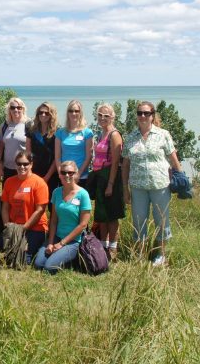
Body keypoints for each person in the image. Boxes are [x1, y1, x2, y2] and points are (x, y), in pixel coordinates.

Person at [122, 101, 183, 267]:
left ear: (152, 115)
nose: (143, 116)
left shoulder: (163, 135)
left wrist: (182, 181)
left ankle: (161, 255)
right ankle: (140, 254)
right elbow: (125, 165)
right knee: (139, 221)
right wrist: (125, 189)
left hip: (160, 186)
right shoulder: (130, 137)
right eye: (140, 113)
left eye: (146, 113)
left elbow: (173, 159)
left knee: (161, 221)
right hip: (138, 187)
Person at [34, 160, 91, 274]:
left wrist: (62, 243)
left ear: (76, 174)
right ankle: (60, 255)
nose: (67, 175)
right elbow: (54, 220)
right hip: (57, 237)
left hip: (73, 240)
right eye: (63, 172)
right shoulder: (56, 192)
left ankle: (72, 258)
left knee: (49, 268)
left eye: (70, 173)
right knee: (38, 264)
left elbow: (83, 224)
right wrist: (50, 242)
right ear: (59, 175)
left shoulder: (83, 194)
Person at [88, 104, 125, 260]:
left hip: (111, 178)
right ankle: (102, 245)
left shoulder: (114, 135)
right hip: (100, 177)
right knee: (101, 214)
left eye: (106, 116)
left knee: (112, 214)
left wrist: (110, 184)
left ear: (113, 117)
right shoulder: (101, 133)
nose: (102, 118)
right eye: (100, 115)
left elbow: (116, 162)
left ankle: (113, 248)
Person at [1, 151, 49, 263]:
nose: (22, 166)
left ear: (31, 164)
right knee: (5, 254)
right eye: (19, 163)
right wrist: (7, 226)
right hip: (14, 226)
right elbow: (5, 207)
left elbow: (40, 210)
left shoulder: (39, 183)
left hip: (35, 228)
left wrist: (24, 228)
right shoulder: (9, 182)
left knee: (23, 259)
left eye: (25, 164)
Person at [55, 100, 93, 189]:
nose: (73, 113)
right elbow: (57, 157)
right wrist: (61, 173)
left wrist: (78, 174)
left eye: (76, 111)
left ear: (81, 113)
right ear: (67, 113)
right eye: (71, 111)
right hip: (65, 175)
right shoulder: (60, 132)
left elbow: (89, 156)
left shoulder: (87, 133)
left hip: (81, 176)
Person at [26, 101, 59, 192]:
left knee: (51, 202)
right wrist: (30, 172)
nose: (43, 114)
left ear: (51, 115)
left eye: (46, 113)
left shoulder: (57, 133)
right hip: (34, 172)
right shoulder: (31, 131)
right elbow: (28, 154)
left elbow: (57, 157)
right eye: (40, 112)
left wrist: (47, 177)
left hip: (51, 175)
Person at [0, 97, 29, 183]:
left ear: (23, 109)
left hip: (23, 168)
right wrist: (0, 165)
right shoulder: (4, 125)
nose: (16, 110)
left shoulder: (28, 125)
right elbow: (1, 146)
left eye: (19, 107)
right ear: (9, 110)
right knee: (8, 194)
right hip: (7, 168)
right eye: (13, 107)